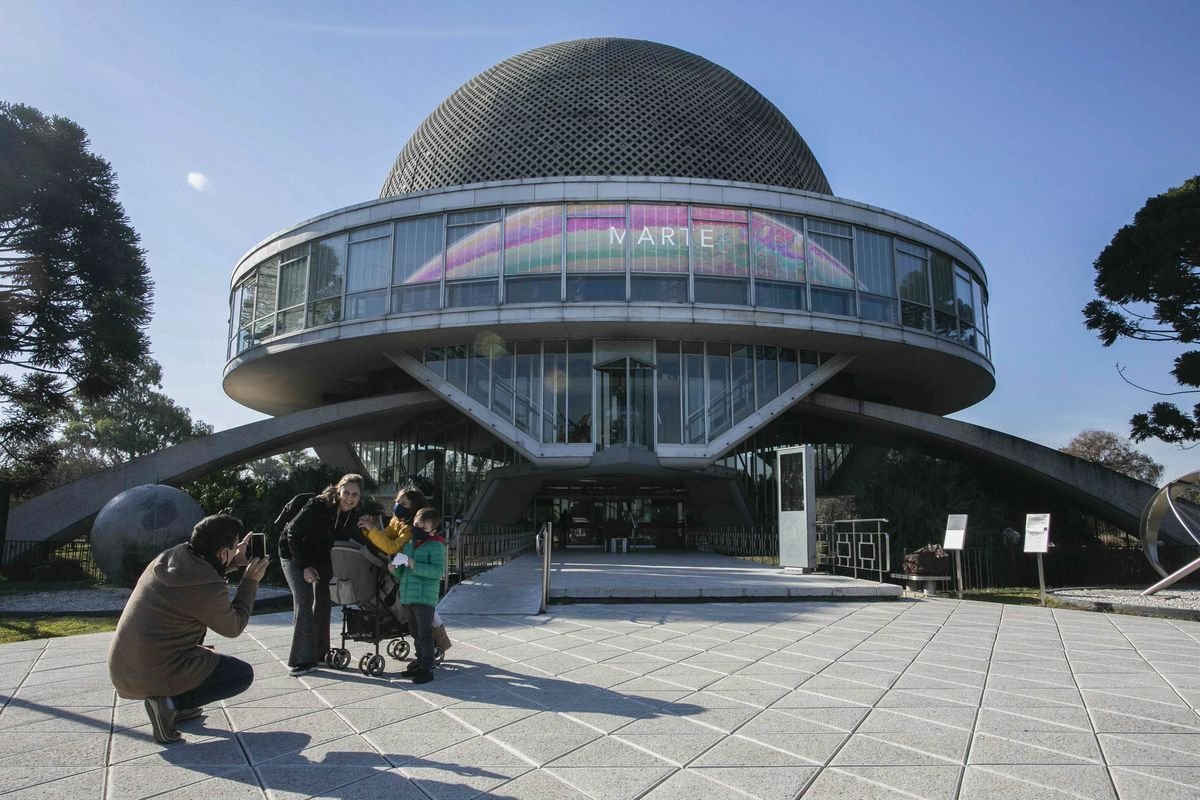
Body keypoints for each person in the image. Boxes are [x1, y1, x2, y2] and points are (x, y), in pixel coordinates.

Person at [107, 513, 269, 744]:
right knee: (240, 675)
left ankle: (176, 705)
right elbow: (233, 627)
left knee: (207, 653)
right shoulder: (208, 587)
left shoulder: (171, 557)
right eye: (234, 548)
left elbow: (199, 574)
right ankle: (171, 704)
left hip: (126, 666)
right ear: (222, 552)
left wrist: (230, 562)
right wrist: (250, 581)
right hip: (155, 670)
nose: (237, 551)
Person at [278, 473, 366, 676]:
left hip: (321, 558)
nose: (349, 498)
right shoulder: (318, 504)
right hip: (293, 555)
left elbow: (351, 539)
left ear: (360, 496)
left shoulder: (352, 514)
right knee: (305, 599)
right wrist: (304, 567)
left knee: (324, 602)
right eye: (346, 492)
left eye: (354, 494)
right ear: (339, 489)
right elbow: (292, 533)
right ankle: (301, 660)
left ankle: (320, 653)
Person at [358, 486, 453, 653]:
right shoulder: (397, 520)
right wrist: (368, 530)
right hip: (405, 573)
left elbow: (391, 546)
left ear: (414, 508)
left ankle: (435, 648)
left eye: (403, 503)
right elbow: (384, 536)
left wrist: (372, 531)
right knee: (417, 624)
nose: (398, 506)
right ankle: (424, 655)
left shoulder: (412, 530)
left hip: (413, 575)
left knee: (426, 617)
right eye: (397, 502)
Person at [391, 506, 446, 684]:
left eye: (424, 528)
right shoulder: (409, 545)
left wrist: (415, 565)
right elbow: (404, 573)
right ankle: (420, 661)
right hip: (409, 596)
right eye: (416, 525)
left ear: (433, 530)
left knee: (424, 633)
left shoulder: (436, 545)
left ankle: (427, 667)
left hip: (425, 597)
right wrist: (394, 570)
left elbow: (438, 571)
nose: (418, 530)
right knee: (414, 632)